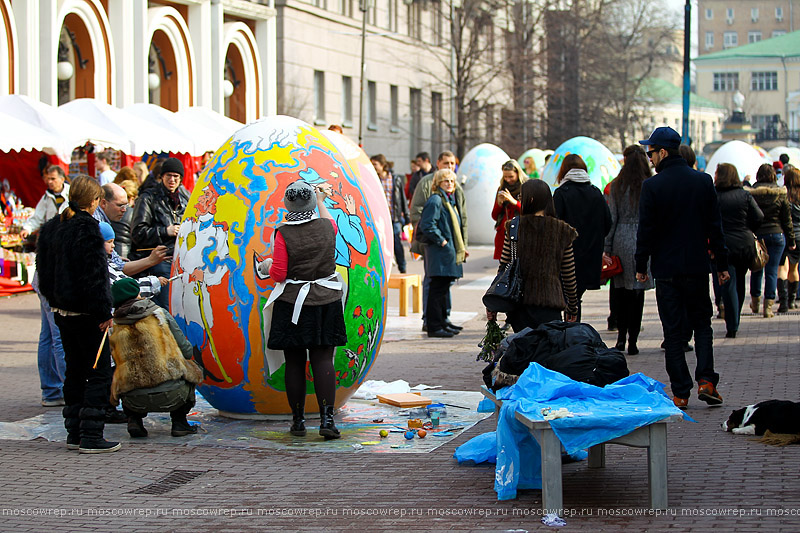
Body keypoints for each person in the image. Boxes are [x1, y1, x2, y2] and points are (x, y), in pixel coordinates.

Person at [635, 126, 728, 409]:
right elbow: (716, 227)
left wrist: (641, 264)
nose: (649, 158)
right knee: (702, 325)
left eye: (651, 152)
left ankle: (681, 392)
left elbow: (646, 231)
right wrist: (721, 264)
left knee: (673, 332)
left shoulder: (652, 186)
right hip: (698, 267)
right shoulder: (702, 182)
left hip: (666, 270)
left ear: (663, 152)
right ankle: (707, 381)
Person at [35, 175, 121, 453]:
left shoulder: (53, 227)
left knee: (74, 369)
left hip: (62, 310)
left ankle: (74, 431)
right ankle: (92, 435)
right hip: (86, 313)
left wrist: (54, 300)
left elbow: (43, 270)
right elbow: (95, 277)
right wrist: (103, 310)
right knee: (98, 372)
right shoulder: (88, 228)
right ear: (95, 201)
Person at [261, 181, 347, 439]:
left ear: (287, 204)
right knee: (323, 360)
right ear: (312, 203)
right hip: (326, 300)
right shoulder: (327, 226)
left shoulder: (283, 233)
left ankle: (298, 422)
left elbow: (278, 274)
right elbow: (327, 217)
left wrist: (265, 266)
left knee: (295, 363)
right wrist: (320, 199)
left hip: (292, 303)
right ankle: (327, 420)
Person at [108, 278, 202, 438]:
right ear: (137, 293)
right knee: (192, 369)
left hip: (133, 399)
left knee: (124, 374)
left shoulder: (112, 325)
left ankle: (134, 420)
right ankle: (179, 422)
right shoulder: (158, 314)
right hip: (172, 395)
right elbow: (186, 350)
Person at [489, 179, 578, 332]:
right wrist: (572, 305)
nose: (519, 201)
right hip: (551, 303)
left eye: (520, 197)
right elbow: (568, 274)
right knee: (546, 351)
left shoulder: (514, 227)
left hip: (520, 303)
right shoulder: (563, 231)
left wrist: (494, 300)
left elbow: (504, 267)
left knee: (525, 351)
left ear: (530, 200)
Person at [20, 165, 70, 407]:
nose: (50, 183)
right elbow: (36, 218)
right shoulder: (49, 203)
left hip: (46, 276)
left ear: (62, 178)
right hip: (50, 277)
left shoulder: (68, 197)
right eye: (47, 179)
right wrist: (26, 229)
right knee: (55, 334)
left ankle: (52, 391)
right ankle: (62, 391)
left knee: (49, 334)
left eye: (53, 178)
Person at [409, 151, 467, 332]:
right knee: (435, 286)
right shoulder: (435, 197)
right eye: (446, 181)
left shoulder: (451, 196)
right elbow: (426, 222)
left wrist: (461, 244)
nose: (450, 183)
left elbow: (461, 218)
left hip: (449, 248)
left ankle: (443, 321)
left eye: (452, 180)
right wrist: (442, 241)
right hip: (438, 249)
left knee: (443, 286)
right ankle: (433, 323)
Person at [603, 145, 653, 355]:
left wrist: (606, 247)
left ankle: (621, 338)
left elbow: (612, 219)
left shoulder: (616, 186)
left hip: (621, 238)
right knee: (638, 292)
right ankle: (633, 340)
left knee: (621, 291)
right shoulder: (649, 185)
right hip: (642, 237)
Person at [553, 154, 611, 321]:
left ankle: (566, 334)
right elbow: (608, 222)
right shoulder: (595, 193)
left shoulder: (561, 193)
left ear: (563, 171)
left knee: (565, 296)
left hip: (566, 256)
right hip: (590, 256)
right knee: (576, 297)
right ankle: (574, 334)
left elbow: (554, 225)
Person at [130, 157, 190, 309]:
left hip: (185, 260)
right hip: (161, 260)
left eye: (176, 176)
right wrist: (165, 231)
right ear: (161, 176)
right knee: (166, 308)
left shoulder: (186, 198)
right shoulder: (148, 198)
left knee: (186, 307)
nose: (172, 180)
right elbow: (138, 233)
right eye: (168, 175)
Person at [714, 163, 764, 337]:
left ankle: (732, 323)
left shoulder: (715, 196)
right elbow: (759, 216)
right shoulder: (745, 195)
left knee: (728, 283)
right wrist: (748, 229)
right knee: (740, 281)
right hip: (744, 243)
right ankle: (736, 318)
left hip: (724, 244)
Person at [746, 163, 794, 318]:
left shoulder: (751, 193)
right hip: (777, 234)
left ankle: (755, 302)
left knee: (756, 268)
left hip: (758, 235)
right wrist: (791, 240)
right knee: (772, 271)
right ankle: (768, 307)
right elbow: (786, 220)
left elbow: (749, 216)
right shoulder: (780, 193)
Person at [371, 154, 411, 273]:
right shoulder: (374, 179)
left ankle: (402, 267)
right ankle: (381, 268)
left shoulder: (395, 179)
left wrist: (407, 217)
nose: (373, 167)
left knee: (396, 243)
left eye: (375, 164)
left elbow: (402, 199)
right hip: (379, 218)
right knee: (379, 242)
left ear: (383, 165)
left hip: (393, 217)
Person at [491, 160, 527, 261]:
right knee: (504, 269)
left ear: (518, 174)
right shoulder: (502, 189)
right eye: (505, 177)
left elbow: (529, 212)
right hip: (504, 233)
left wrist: (514, 202)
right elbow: (494, 216)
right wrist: (499, 204)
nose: (508, 179)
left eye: (511, 176)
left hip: (520, 232)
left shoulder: (525, 188)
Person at [777, 167, 800, 310]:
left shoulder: (783, 196)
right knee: (794, 268)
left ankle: (784, 302)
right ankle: (792, 301)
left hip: (785, 235)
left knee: (782, 268)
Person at [112, 179, 139, 258]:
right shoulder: (132, 213)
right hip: (126, 254)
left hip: (112, 252)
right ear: (131, 198)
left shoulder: (112, 209)